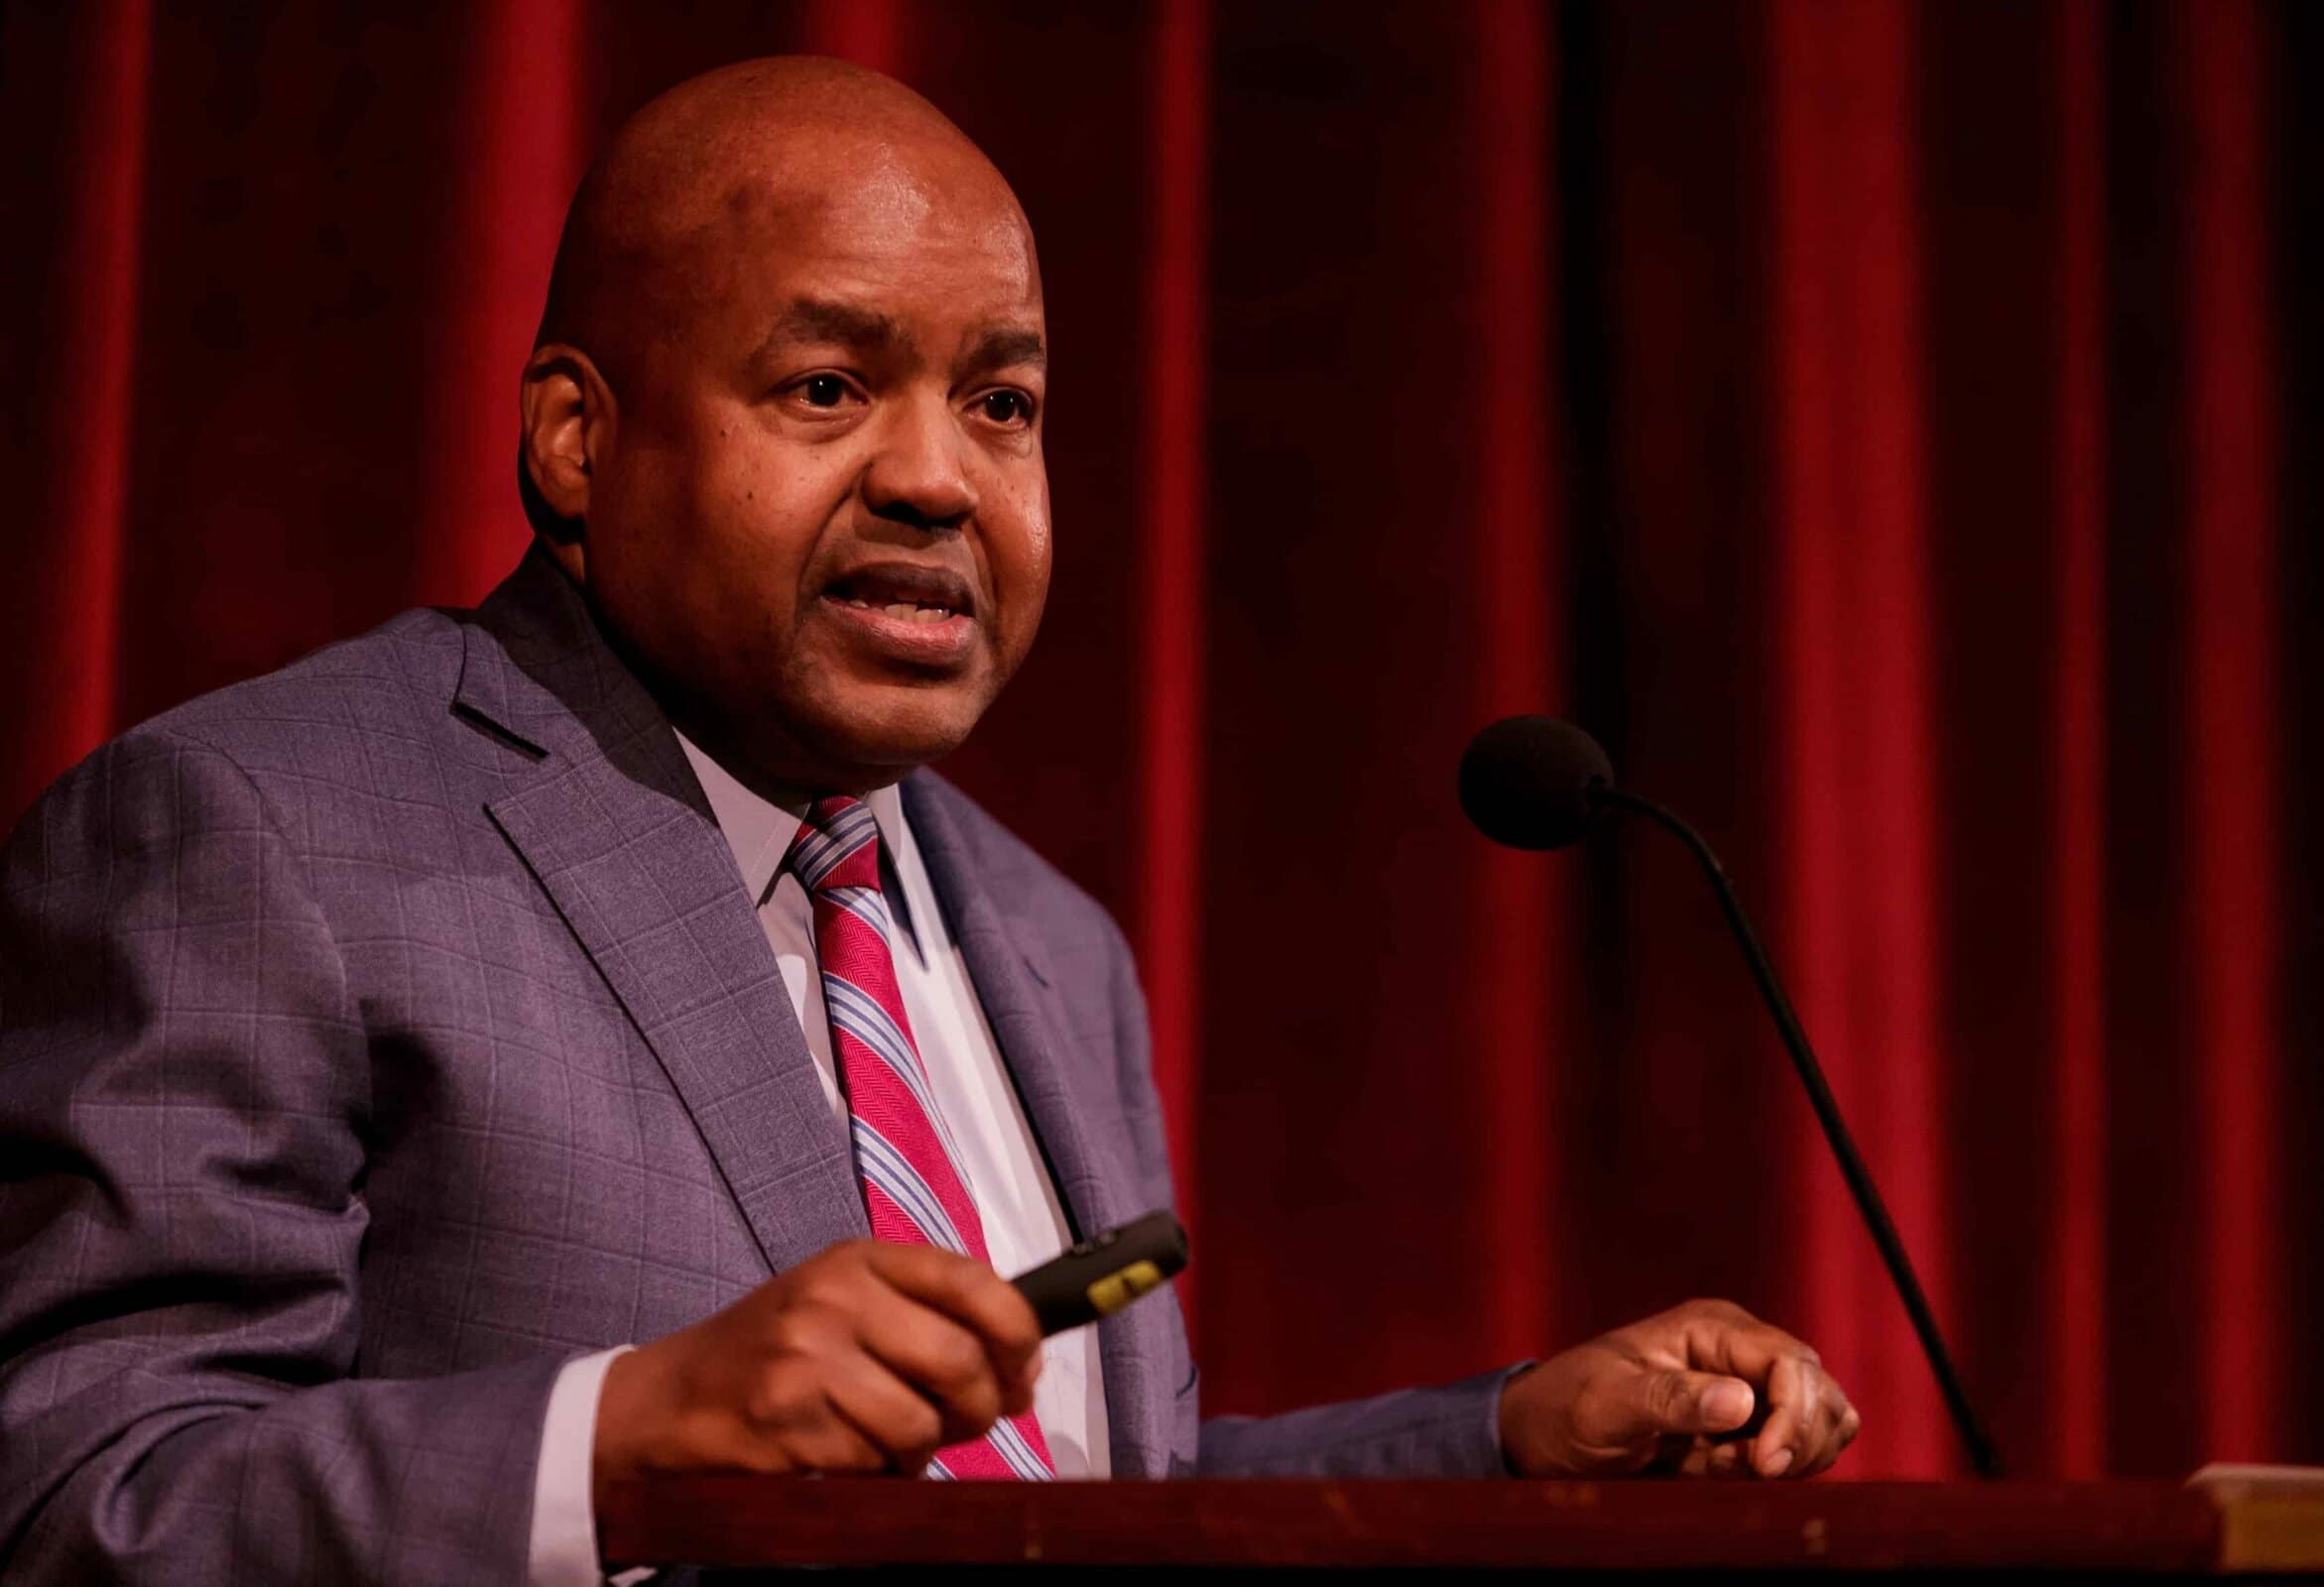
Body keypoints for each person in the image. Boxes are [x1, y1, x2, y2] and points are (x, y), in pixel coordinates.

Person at [0, 57, 1856, 1585]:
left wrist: (1505, 1440)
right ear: (580, 438)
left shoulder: (1041, 939)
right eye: (827, 387)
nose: (934, 477)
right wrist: (626, 1440)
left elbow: (1075, 1499)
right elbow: (82, 1495)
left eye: (1003, 402)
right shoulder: (255, 831)